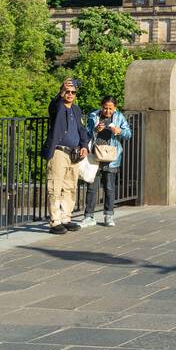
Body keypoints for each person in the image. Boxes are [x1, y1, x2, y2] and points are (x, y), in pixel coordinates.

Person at [43, 77, 89, 235]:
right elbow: (53, 107)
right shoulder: (59, 107)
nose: (70, 94)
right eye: (67, 92)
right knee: (55, 186)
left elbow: (81, 129)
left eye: (73, 92)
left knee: (70, 187)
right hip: (59, 151)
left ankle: (66, 218)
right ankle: (55, 221)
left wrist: (84, 146)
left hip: (74, 153)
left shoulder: (76, 109)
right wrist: (59, 94)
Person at [83, 96, 132, 227]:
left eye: (110, 108)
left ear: (115, 108)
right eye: (105, 108)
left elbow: (128, 134)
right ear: (101, 106)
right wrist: (95, 130)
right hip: (95, 156)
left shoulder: (119, 117)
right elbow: (86, 133)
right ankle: (88, 216)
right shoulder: (94, 116)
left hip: (111, 157)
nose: (108, 111)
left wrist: (119, 131)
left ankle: (108, 216)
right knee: (91, 187)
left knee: (109, 187)